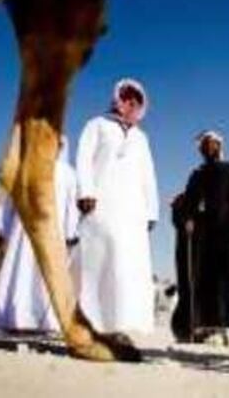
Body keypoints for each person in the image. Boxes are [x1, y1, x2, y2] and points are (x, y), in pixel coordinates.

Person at [75, 78, 159, 335]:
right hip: (101, 204)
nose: (131, 103)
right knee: (98, 260)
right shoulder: (97, 125)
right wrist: (85, 190)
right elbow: (83, 158)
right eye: (127, 97)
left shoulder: (141, 137)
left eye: (137, 100)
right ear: (118, 98)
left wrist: (151, 209)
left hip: (132, 210)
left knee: (126, 265)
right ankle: (91, 323)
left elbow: (148, 175)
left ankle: (120, 326)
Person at [0, 136, 79, 333]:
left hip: (55, 232)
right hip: (24, 233)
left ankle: (46, 322)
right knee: (21, 269)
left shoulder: (69, 174)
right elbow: (10, 202)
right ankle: (15, 318)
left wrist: (71, 232)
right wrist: (3, 227)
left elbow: (71, 206)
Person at [171, 130, 229, 344]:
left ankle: (222, 329)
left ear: (219, 146)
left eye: (212, 144)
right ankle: (205, 328)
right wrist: (184, 213)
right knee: (205, 282)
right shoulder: (197, 174)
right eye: (205, 145)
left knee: (226, 283)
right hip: (204, 237)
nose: (209, 148)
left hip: (227, 234)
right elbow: (190, 203)